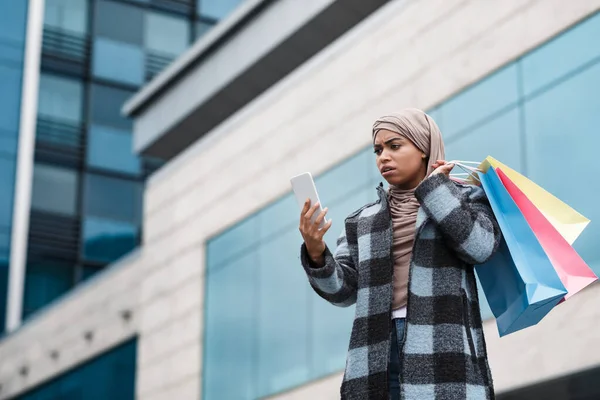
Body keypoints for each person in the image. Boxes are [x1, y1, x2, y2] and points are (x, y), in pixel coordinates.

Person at [298, 108, 502, 400]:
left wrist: (435, 189)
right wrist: (316, 251)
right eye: (378, 150)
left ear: (423, 149)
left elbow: (480, 247)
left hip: (445, 348)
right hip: (375, 354)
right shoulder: (361, 220)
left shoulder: (465, 197)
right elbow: (343, 292)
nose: (383, 157)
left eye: (395, 146)